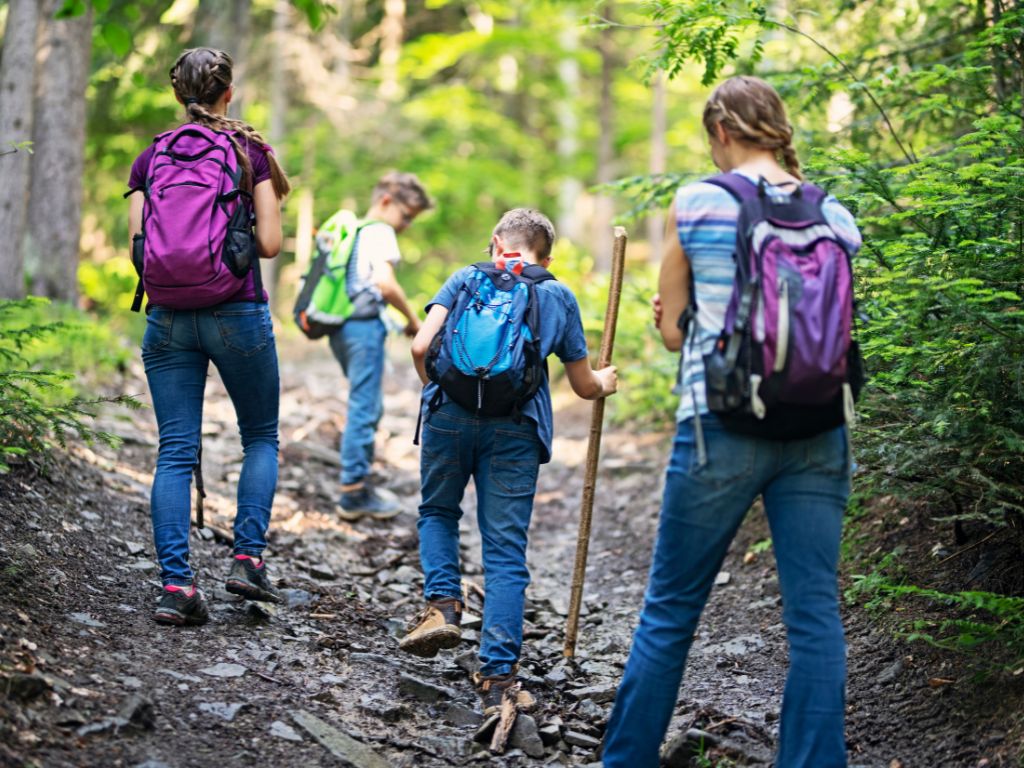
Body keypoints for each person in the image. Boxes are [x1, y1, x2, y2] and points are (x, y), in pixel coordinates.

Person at [601, 76, 862, 767]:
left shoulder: (698, 202)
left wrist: (674, 315)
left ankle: (625, 760)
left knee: (670, 610)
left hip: (719, 428)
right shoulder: (834, 215)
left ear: (720, 131)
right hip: (820, 429)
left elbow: (674, 333)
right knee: (814, 619)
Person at [400, 208, 618, 713]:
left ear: (496, 243)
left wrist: (440, 392)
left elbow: (420, 344)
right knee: (504, 549)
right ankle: (497, 674)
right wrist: (605, 381)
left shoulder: (464, 278)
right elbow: (584, 385)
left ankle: (444, 606)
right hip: (516, 429)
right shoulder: (558, 295)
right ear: (548, 255)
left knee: (437, 512)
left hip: (447, 418)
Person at [127, 48, 290, 626]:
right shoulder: (251, 152)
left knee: (174, 452)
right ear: (229, 92)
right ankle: (247, 559)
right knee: (261, 438)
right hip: (237, 312)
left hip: (166, 317)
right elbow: (268, 246)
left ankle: (177, 587)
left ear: (179, 94)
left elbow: (138, 249)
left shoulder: (152, 156)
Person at [331, 172, 431, 521]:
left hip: (341, 327)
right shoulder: (380, 231)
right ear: (387, 201)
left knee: (362, 403)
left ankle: (356, 484)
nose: (405, 225)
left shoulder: (355, 231)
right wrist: (413, 319)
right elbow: (384, 283)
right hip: (364, 328)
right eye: (406, 216)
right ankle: (353, 492)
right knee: (365, 407)